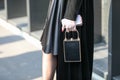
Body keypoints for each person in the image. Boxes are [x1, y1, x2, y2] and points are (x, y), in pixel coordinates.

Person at [40, 0, 94, 80]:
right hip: (59, 5)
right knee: (49, 47)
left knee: (70, 56)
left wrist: (70, 15)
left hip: (71, 6)